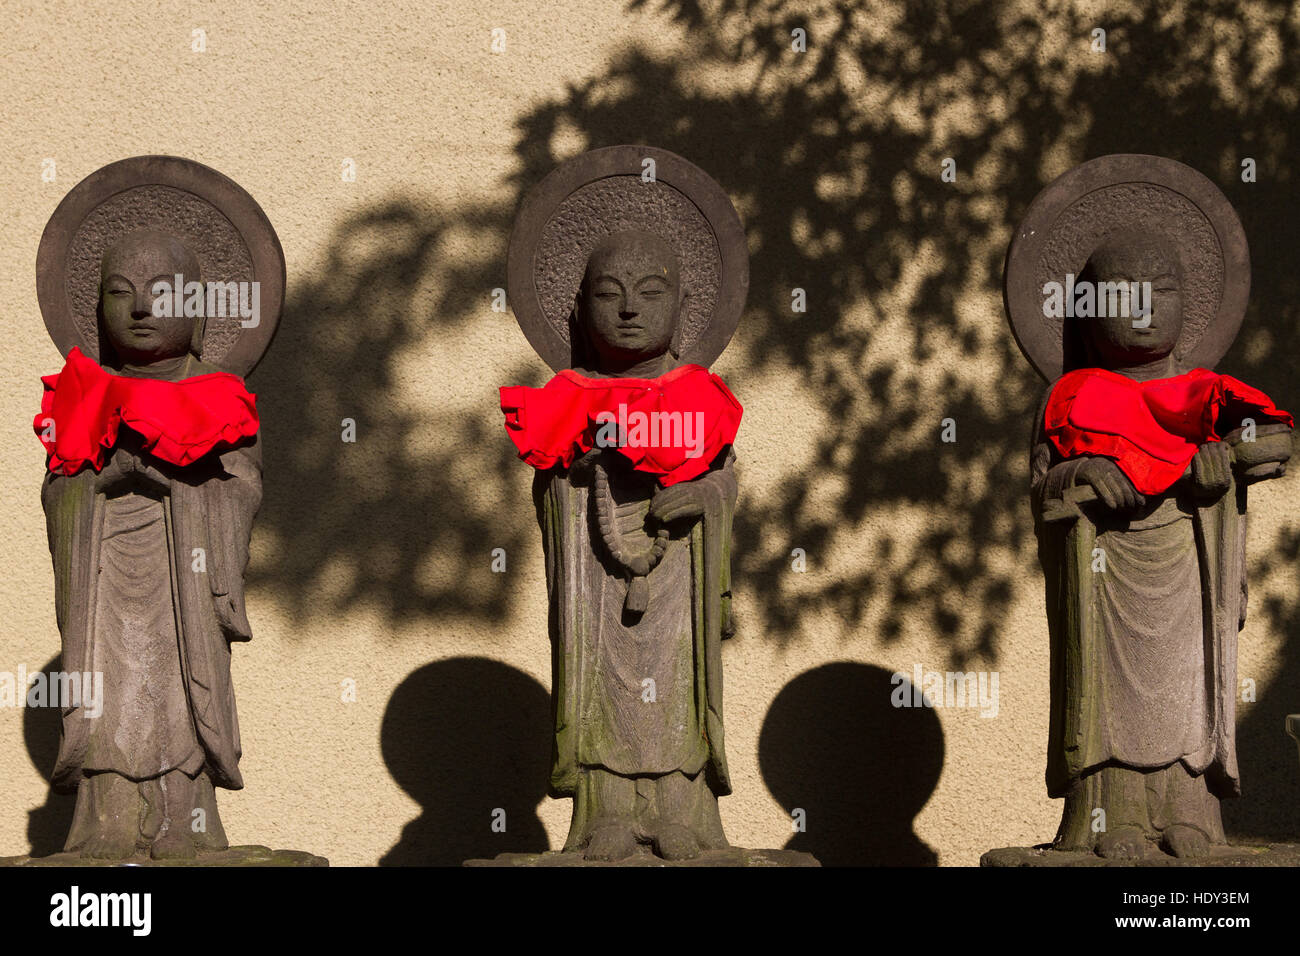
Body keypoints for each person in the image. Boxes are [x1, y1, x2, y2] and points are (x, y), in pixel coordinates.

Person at [1031, 232, 1292, 859]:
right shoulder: (1070, 399)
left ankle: (1192, 816)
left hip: (1192, 568)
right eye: (1122, 296)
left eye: (1162, 293)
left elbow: (1272, 444)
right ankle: (1106, 817)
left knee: (1191, 684)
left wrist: (1226, 461)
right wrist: (1083, 474)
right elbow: (1045, 492)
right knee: (1107, 693)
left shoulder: (1206, 395)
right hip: (1105, 572)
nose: (1143, 309)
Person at [501, 230, 742, 861]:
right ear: (580, 310)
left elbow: (724, 476)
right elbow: (547, 482)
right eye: (610, 294)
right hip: (596, 581)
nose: (629, 309)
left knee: (678, 685)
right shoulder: (568, 396)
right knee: (597, 679)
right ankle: (604, 808)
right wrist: (575, 476)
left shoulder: (697, 395)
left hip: (677, 582)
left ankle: (679, 810)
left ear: (682, 306)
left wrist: (707, 499)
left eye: (649, 293)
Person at [37, 230, 261, 860]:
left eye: (161, 293)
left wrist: (177, 484)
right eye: (120, 293)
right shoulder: (81, 397)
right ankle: (104, 823)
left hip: (182, 586)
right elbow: (58, 496)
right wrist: (97, 481)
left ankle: (185, 823)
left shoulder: (220, 397)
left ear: (195, 309)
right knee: (107, 692)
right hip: (104, 584)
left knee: (180, 697)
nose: (140, 310)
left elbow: (240, 491)